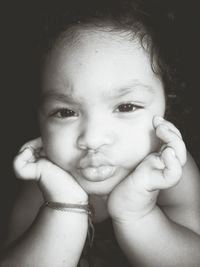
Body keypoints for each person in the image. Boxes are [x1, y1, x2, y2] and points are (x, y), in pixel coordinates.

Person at [1, 0, 200, 266]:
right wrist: (64, 207)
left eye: (126, 107)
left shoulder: (171, 171)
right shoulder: (44, 181)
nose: (92, 140)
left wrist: (137, 213)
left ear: (167, 105)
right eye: (65, 112)